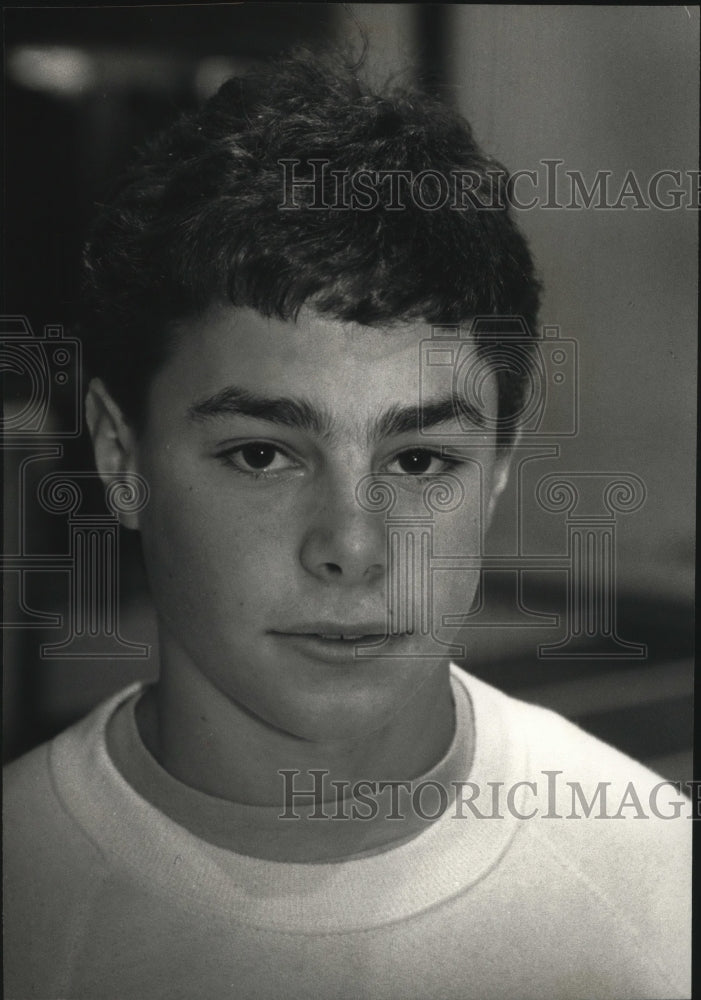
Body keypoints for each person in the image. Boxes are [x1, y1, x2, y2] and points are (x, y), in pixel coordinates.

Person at [3, 48, 691, 1000]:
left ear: (494, 470)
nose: (353, 550)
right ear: (122, 459)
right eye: (261, 455)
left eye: (418, 462)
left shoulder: (651, 879)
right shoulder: (22, 885)